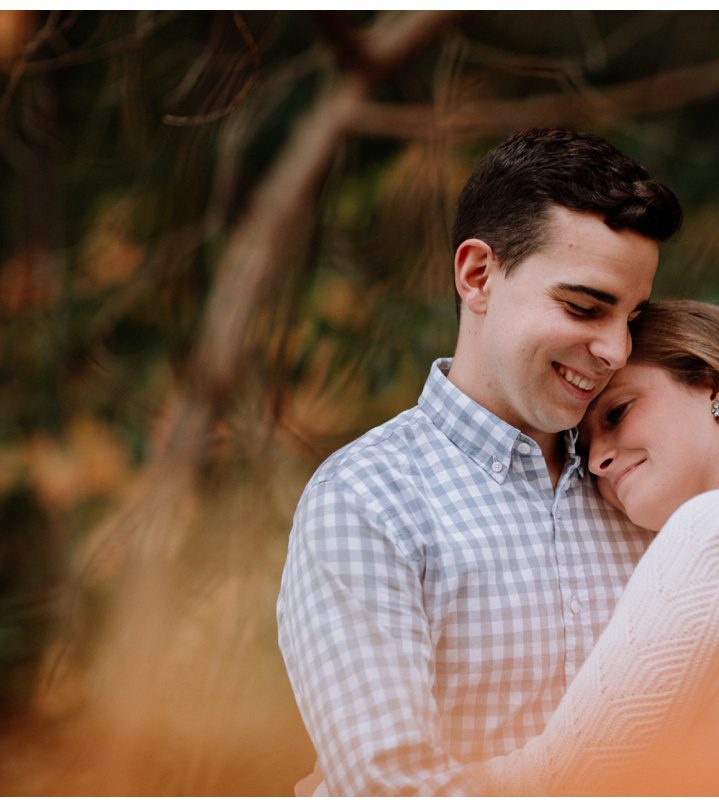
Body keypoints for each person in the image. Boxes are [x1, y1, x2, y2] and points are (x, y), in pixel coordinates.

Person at [276, 128, 684, 795]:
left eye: (632, 316)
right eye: (584, 306)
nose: (614, 348)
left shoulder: (642, 482)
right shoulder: (367, 498)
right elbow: (396, 786)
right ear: (477, 275)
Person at [466, 300, 719, 795]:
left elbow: (557, 783)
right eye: (583, 446)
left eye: (618, 412)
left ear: (715, 383)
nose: (597, 460)